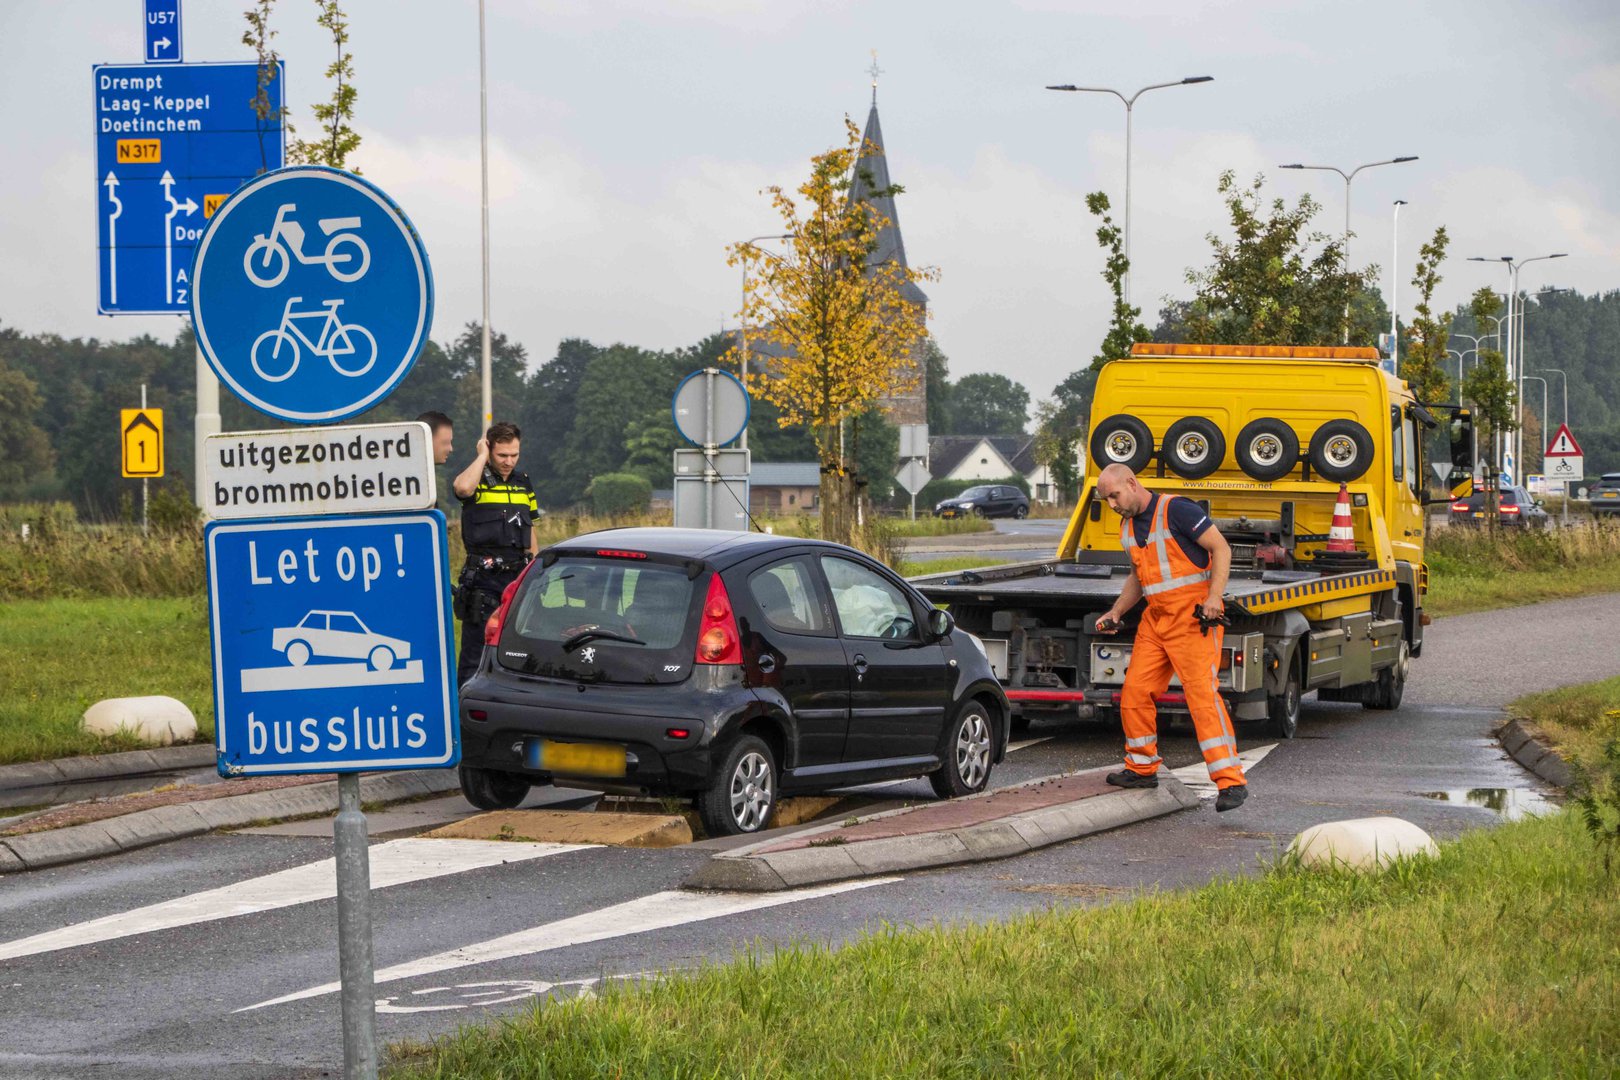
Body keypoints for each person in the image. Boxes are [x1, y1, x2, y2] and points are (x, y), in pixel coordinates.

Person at [1094, 463, 1249, 812]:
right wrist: (1117, 611)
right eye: (1106, 499)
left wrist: (1214, 596)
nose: (1112, 504)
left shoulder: (1177, 510)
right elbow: (1139, 576)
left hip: (1192, 619)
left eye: (1114, 495)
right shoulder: (1127, 527)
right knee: (1134, 692)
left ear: (1131, 484)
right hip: (1156, 619)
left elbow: (1221, 549)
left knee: (1202, 699)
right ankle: (1141, 767)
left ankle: (1231, 782)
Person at [451, 422, 539, 685]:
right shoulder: (476, 480)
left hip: (517, 581)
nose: (509, 461)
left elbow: (530, 531)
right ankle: (464, 714)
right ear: (489, 450)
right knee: (474, 655)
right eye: (502, 455)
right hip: (484, 583)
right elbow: (462, 489)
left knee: (518, 652)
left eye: (514, 455)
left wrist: (535, 573)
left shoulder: (523, 483)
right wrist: (480, 456)